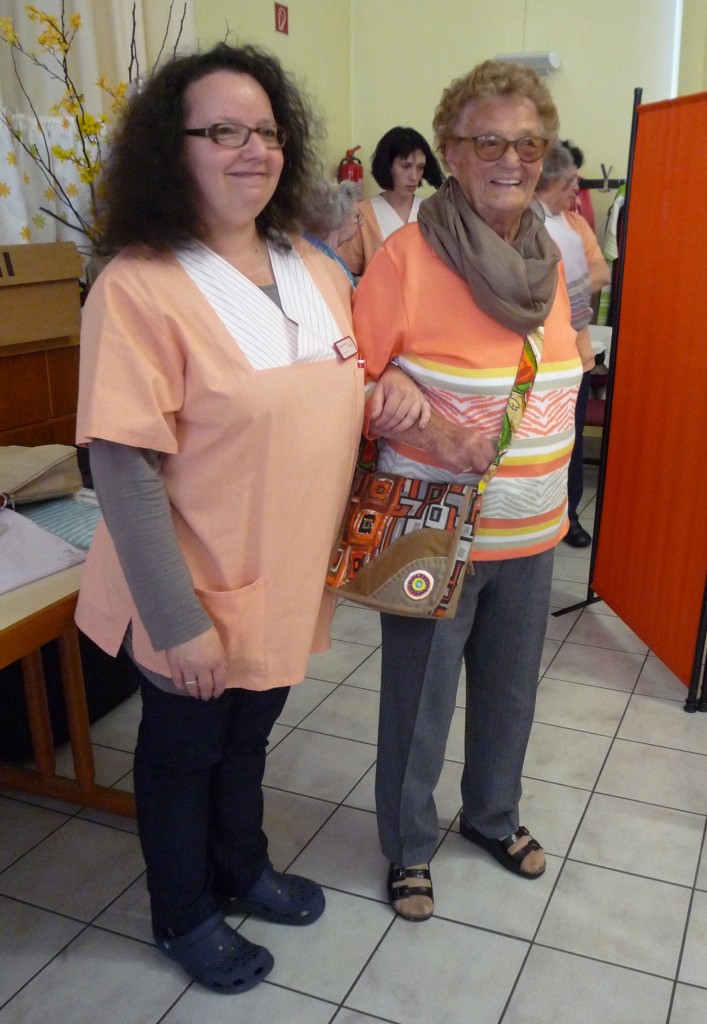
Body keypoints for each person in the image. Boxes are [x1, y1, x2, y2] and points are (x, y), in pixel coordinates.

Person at [74, 42, 427, 993]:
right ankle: (184, 910)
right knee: (184, 753)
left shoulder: (312, 266)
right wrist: (176, 619)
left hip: (283, 572)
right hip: (188, 583)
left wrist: (384, 390)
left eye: (265, 131)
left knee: (248, 737)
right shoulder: (138, 286)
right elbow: (123, 465)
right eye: (223, 131)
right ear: (172, 148)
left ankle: (242, 866)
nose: (252, 150)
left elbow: (332, 382)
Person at [352, 59, 581, 922]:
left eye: (528, 143)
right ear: (450, 150)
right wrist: (398, 402)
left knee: (511, 694)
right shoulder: (407, 258)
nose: (510, 159)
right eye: (488, 142)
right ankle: (409, 843)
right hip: (432, 523)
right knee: (419, 702)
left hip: (534, 524)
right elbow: (349, 380)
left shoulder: (546, 261)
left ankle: (491, 815)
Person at [535, 141, 610, 547]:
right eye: (571, 182)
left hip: (573, 358)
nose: (576, 191)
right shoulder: (521, 222)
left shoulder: (575, 226)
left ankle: (570, 516)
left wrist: (556, 288)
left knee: (571, 442)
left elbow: (600, 274)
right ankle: (535, 517)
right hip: (529, 360)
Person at [338, 126, 444, 275]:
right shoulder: (361, 214)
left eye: (420, 167)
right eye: (405, 166)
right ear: (387, 166)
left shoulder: (433, 212)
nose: (414, 176)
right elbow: (345, 274)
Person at [303, 177, 362, 286]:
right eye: (356, 216)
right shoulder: (319, 256)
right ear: (341, 217)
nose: (360, 223)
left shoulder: (326, 250)